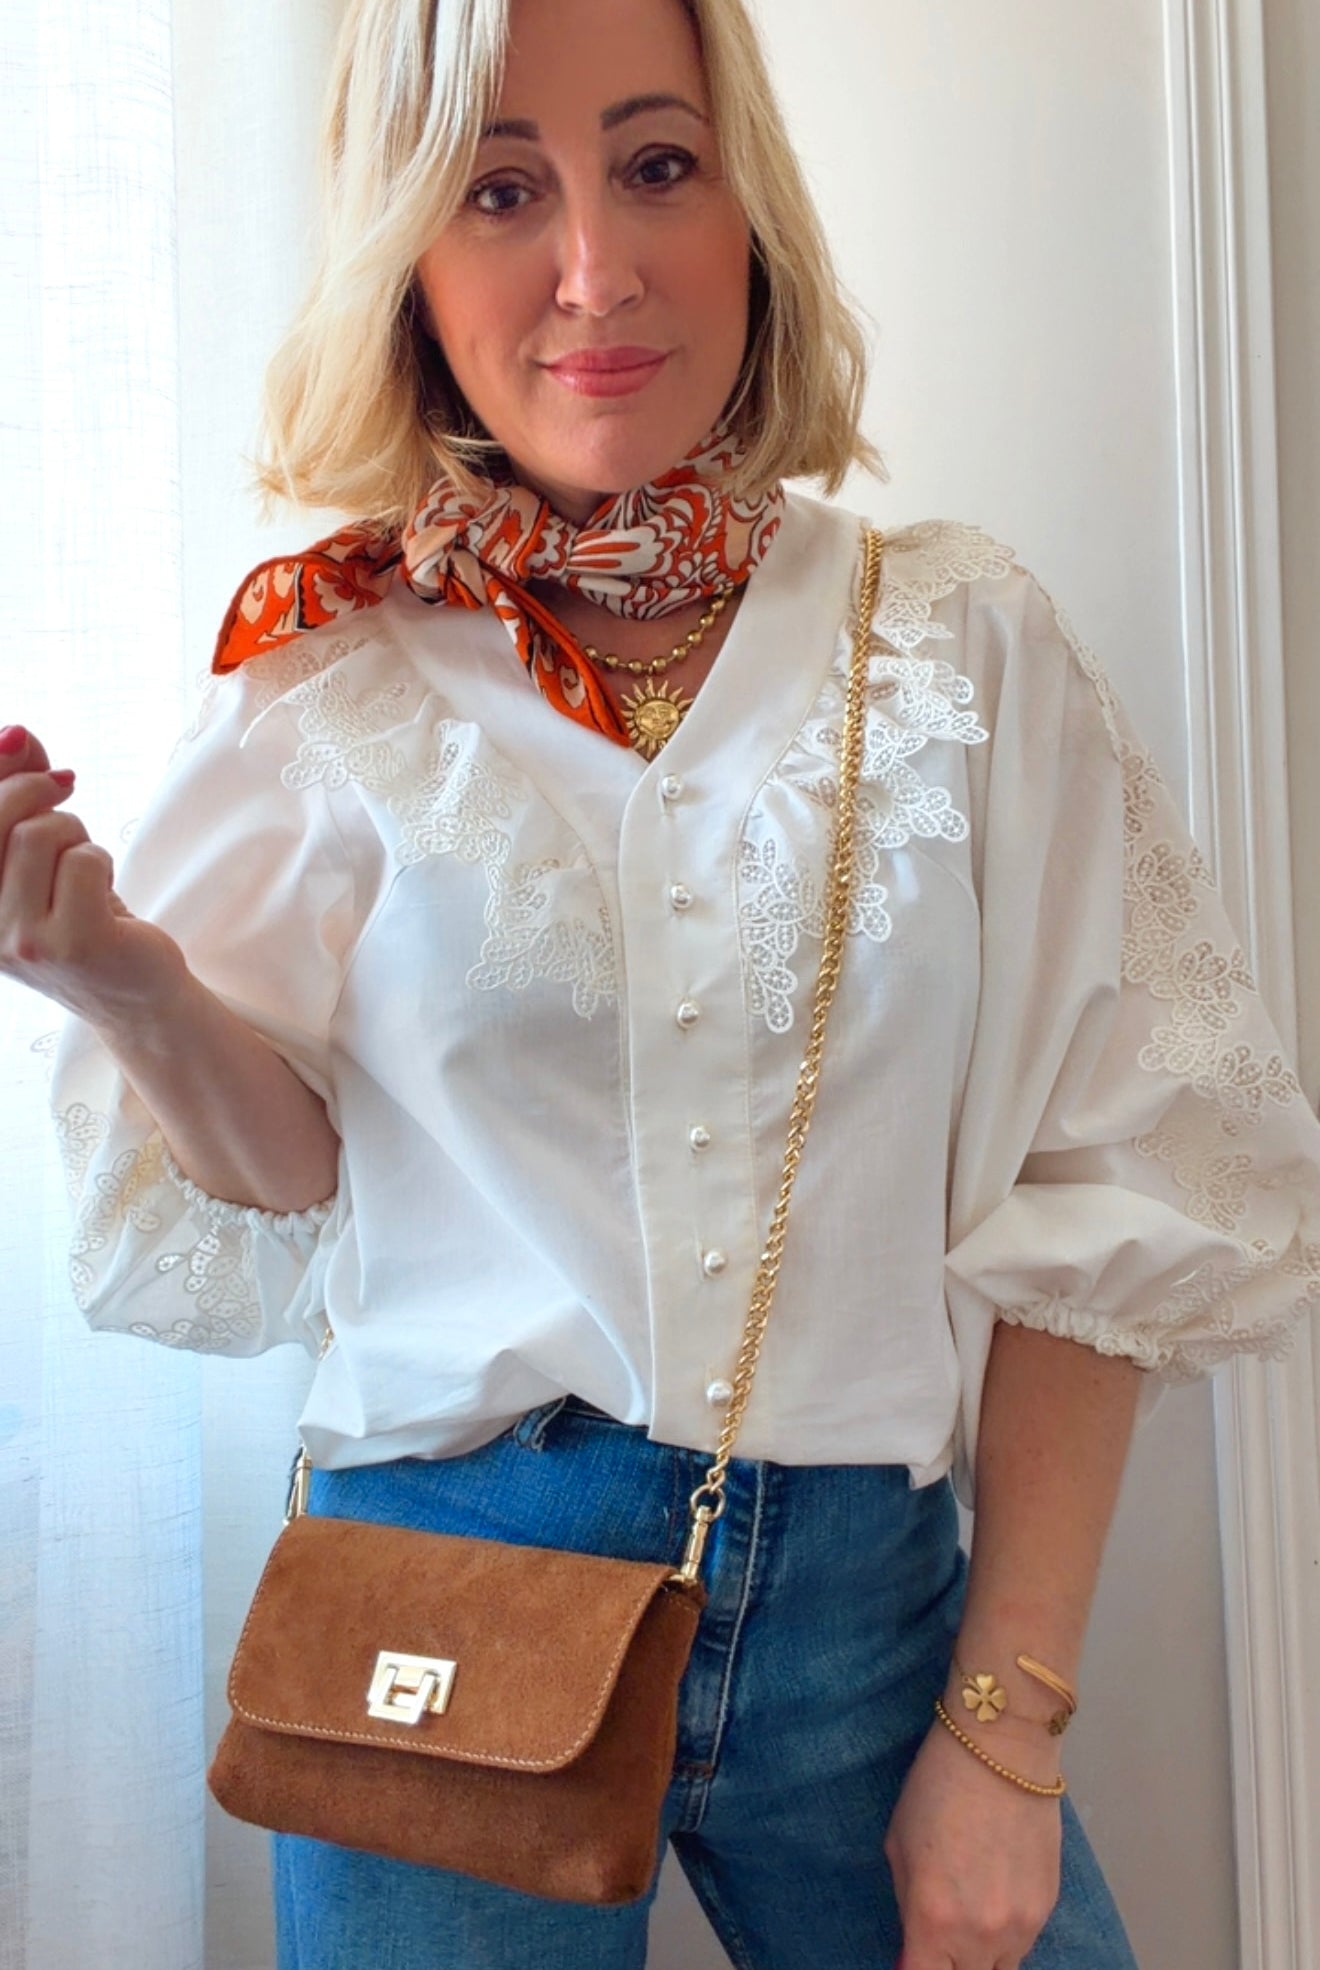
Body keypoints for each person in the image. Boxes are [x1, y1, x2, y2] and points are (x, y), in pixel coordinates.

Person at [4, 0, 1319, 1964]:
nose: (594, 268)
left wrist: (1011, 1725)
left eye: (656, 165)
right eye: (499, 191)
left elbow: (1113, 1180)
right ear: (407, 264)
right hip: (442, 1602)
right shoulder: (327, 672)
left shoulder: (950, 643)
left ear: (748, 210)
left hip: (871, 1625)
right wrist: (125, 984)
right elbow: (289, 1185)